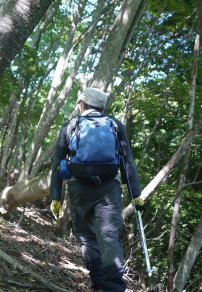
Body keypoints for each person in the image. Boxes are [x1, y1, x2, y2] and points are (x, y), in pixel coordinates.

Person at [49, 87, 143, 292]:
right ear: (102, 107)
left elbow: (57, 163)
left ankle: (98, 283)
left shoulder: (70, 125)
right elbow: (127, 161)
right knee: (109, 236)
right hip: (109, 187)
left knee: (86, 235)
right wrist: (136, 194)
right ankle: (113, 288)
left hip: (78, 188)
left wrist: (55, 196)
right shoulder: (115, 126)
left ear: (82, 104)